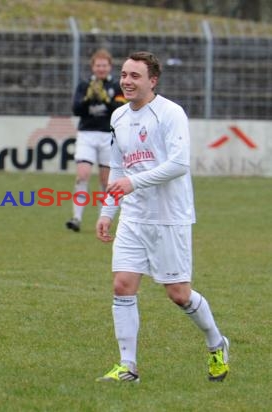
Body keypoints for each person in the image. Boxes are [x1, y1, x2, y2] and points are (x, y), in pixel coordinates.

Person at [95, 51, 229, 383]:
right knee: (122, 285)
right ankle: (128, 367)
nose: (126, 81)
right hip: (134, 216)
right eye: (124, 74)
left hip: (170, 216)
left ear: (152, 80)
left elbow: (179, 164)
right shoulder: (119, 117)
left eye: (135, 76)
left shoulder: (170, 113)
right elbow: (118, 167)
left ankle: (216, 343)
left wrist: (132, 183)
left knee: (178, 294)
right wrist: (108, 211)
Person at [66, 49, 126, 232]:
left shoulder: (116, 86)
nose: (101, 68)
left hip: (108, 135)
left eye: (104, 65)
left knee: (105, 179)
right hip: (87, 134)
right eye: (98, 65)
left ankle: (103, 219)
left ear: (109, 67)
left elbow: (120, 108)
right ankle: (76, 217)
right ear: (92, 67)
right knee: (82, 174)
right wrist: (87, 99)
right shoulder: (85, 85)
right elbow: (76, 109)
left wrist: (105, 99)